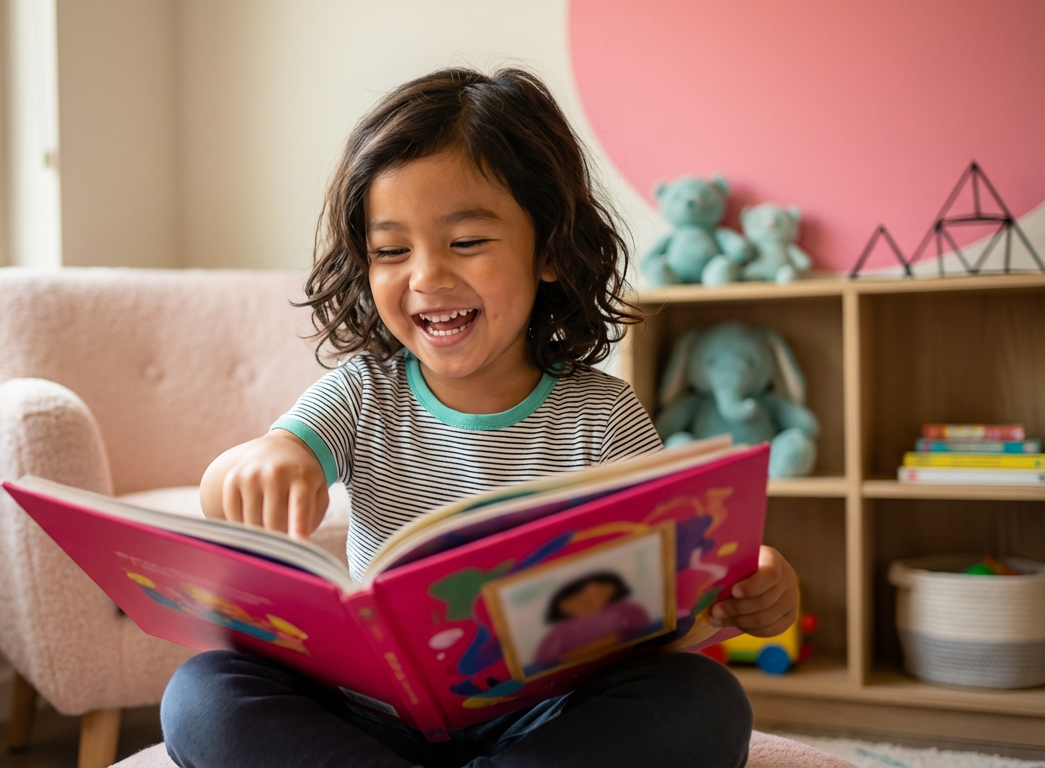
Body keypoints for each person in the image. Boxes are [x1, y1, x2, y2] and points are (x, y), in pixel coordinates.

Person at [161, 67, 797, 768]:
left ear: (549, 250)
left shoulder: (603, 414)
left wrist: (749, 588)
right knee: (201, 693)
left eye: (465, 242)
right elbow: (245, 473)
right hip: (370, 714)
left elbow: (672, 592)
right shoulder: (361, 391)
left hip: (546, 720)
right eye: (392, 250)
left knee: (702, 700)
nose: (427, 276)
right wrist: (259, 461)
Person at [532, 572, 651, 669]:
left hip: (623, 659)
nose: (587, 603)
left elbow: (641, 621)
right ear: (562, 606)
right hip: (580, 670)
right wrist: (570, 656)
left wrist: (623, 635)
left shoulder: (617, 610)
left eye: (596, 595)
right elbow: (542, 657)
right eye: (575, 600)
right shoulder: (562, 628)